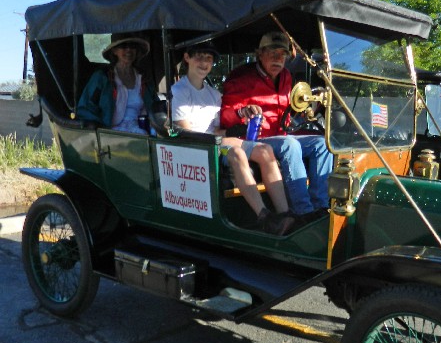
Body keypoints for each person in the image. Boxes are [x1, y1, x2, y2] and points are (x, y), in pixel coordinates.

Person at [171, 41, 294, 236]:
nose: (204, 63)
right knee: (236, 153)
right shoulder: (179, 91)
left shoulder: (214, 94)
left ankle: (285, 215)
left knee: (265, 150)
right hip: (197, 147)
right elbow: (188, 133)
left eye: (208, 59)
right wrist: (224, 138)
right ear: (187, 58)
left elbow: (219, 129)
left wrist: (238, 126)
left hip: (217, 142)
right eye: (199, 57)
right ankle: (264, 217)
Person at [220, 31, 332, 222]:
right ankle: (303, 212)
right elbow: (225, 117)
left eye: (282, 54)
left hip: (279, 135)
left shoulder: (286, 76)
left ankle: (321, 207)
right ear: (260, 54)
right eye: (272, 53)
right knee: (290, 144)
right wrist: (242, 112)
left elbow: (286, 113)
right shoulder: (241, 77)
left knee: (322, 144)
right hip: (253, 139)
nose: (277, 59)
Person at [78, 33, 156, 133]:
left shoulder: (144, 78)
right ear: (114, 51)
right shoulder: (102, 77)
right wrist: (98, 128)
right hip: (113, 133)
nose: (128, 50)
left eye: (132, 46)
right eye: (123, 46)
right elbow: (85, 107)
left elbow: (155, 105)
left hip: (142, 129)